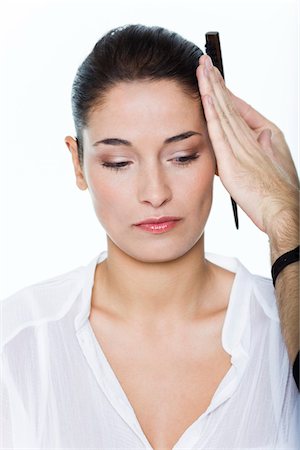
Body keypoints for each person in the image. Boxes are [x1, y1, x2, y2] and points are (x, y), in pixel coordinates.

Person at [1, 24, 299, 449]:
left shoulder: (284, 328)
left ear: (223, 153)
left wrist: (286, 216)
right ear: (78, 163)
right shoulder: (15, 342)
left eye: (182, 156)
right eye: (119, 162)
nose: (155, 193)